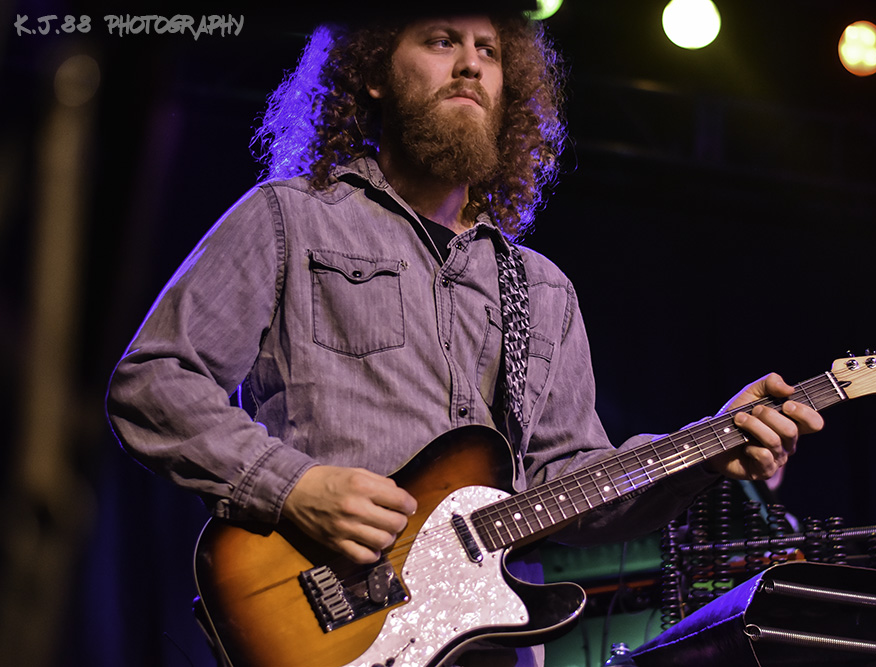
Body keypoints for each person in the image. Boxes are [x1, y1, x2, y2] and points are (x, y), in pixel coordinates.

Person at [106, 10, 823, 666]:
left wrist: (709, 445)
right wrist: (295, 487)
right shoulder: (289, 221)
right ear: (376, 72)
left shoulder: (541, 290)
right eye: (442, 40)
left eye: (488, 50)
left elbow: (571, 483)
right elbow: (154, 382)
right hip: (324, 629)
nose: (472, 64)